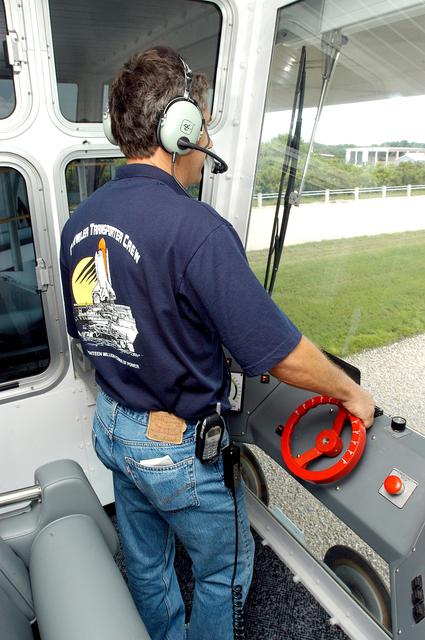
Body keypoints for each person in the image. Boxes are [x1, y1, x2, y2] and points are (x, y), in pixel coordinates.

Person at [59, 46, 375, 640]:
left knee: (148, 564)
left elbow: (97, 330)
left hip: (115, 426)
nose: (206, 137)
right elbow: (278, 353)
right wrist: (350, 394)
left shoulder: (83, 219)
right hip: (176, 449)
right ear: (179, 129)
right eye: (202, 122)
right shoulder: (199, 230)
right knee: (224, 572)